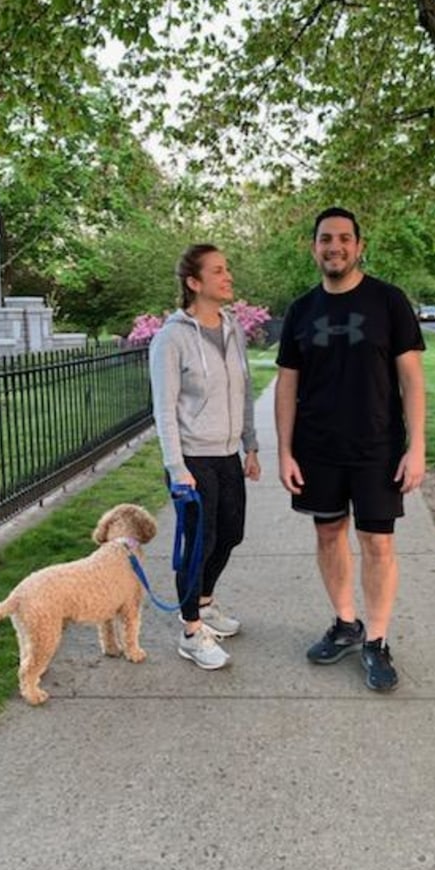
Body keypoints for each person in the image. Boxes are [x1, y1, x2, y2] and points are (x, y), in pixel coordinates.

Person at [275, 207, 426, 691]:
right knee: (328, 534)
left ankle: (377, 640)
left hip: (377, 448)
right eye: (325, 239)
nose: (334, 246)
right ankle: (345, 623)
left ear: (360, 246)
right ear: (314, 247)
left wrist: (417, 445)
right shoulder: (301, 310)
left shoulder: (388, 301)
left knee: (378, 543)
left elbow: (412, 379)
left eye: (344, 238)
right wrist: (284, 451)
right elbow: (285, 386)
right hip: (317, 447)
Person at [150, 244, 261, 670]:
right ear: (194, 283)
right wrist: (177, 469)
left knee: (230, 534)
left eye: (227, 269)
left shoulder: (232, 328)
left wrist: (250, 445)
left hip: (228, 455)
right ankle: (191, 632)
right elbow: (164, 409)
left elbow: (245, 389)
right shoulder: (171, 338)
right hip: (192, 461)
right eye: (218, 271)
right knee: (200, 544)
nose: (227, 276)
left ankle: (205, 602)